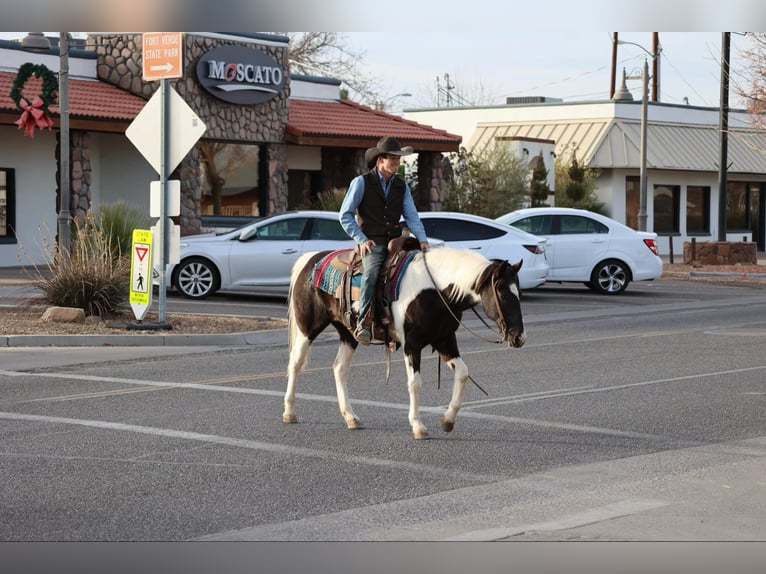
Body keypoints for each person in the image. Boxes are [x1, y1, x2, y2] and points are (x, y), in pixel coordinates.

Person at [340, 136, 429, 344]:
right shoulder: (361, 182)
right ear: (380, 160)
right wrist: (361, 240)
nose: (397, 163)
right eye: (393, 158)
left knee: (419, 267)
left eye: (399, 159)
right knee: (371, 274)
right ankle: (364, 321)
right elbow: (344, 215)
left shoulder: (401, 186)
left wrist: (422, 239)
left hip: (397, 240)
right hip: (373, 242)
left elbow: (411, 216)